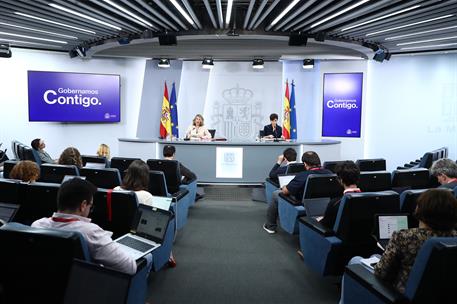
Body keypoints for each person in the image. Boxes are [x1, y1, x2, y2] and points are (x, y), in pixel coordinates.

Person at [31, 178, 139, 274]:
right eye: (90, 206)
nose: (90, 210)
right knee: (146, 259)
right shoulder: (91, 232)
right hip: (85, 288)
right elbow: (129, 268)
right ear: (83, 205)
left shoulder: (36, 225)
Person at [263, 151, 333, 234]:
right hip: (324, 203)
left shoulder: (303, 175)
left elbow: (285, 191)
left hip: (301, 203)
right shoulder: (329, 173)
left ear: (305, 164)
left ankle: (270, 226)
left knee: (276, 194)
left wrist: (285, 186)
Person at [319, 161, 360, 229]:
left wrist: (319, 220)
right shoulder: (371, 200)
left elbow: (325, 226)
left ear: (340, 180)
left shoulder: (335, 203)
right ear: (358, 178)